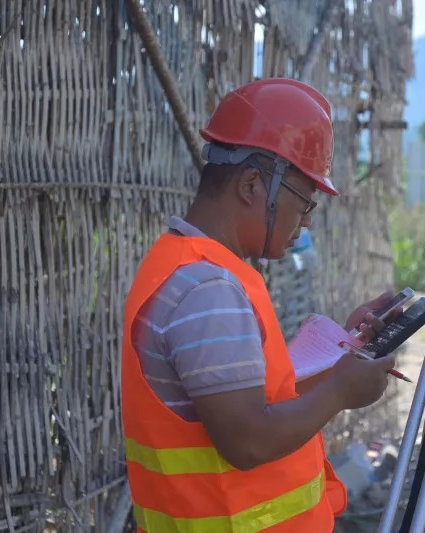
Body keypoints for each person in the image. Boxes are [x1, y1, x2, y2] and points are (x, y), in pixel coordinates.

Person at [121, 77, 400, 532]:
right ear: (252, 184)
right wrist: (339, 392)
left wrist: (341, 356)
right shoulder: (206, 287)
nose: (306, 219)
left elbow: (253, 395)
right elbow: (247, 440)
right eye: (304, 199)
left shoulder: (190, 266)